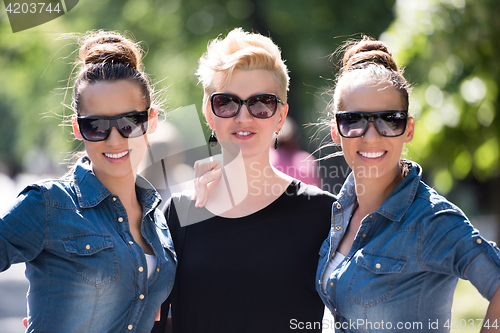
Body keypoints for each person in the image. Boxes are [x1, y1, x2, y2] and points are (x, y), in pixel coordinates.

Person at [152, 28, 335, 333]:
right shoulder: (179, 214)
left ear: (280, 115)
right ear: (208, 113)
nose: (243, 117)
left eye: (261, 103)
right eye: (226, 103)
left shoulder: (323, 213)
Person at [316, 36, 500, 332]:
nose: (371, 136)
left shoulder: (431, 219)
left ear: (409, 129)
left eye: (389, 120)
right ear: (337, 132)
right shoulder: (339, 212)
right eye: (354, 120)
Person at [0, 30, 176, 333]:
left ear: (151, 121)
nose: (115, 139)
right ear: (78, 128)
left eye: (128, 123)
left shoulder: (159, 222)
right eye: (96, 125)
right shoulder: (48, 204)